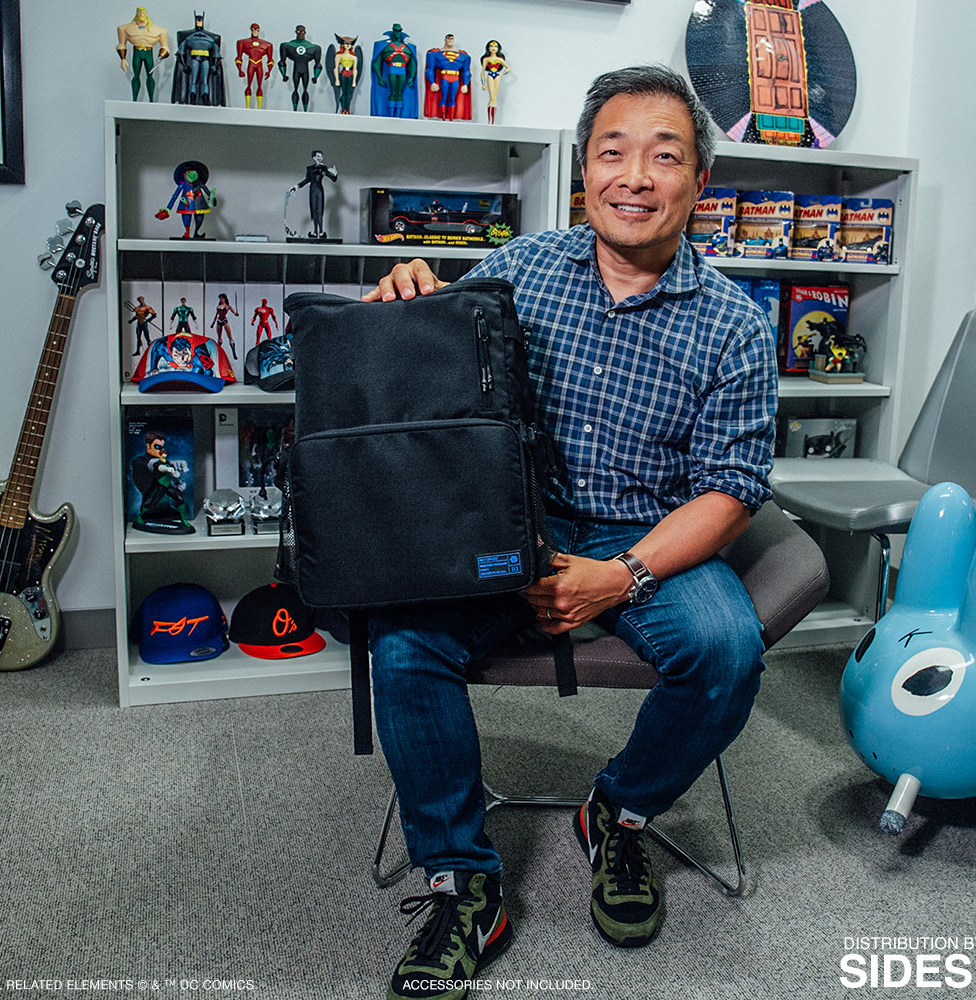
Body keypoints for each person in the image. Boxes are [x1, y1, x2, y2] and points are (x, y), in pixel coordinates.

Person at [361, 66, 776, 1000]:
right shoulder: (519, 268)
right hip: (513, 514)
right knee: (406, 637)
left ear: (699, 181)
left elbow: (731, 493)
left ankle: (619, 812)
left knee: (726, 648)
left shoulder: (736, 327)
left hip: (653, 527)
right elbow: (427, 365)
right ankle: (463, 883)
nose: (634, 177)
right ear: (584, 170)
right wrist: (406, 294)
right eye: (612, 152)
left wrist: (618, 576)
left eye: (663, 156)